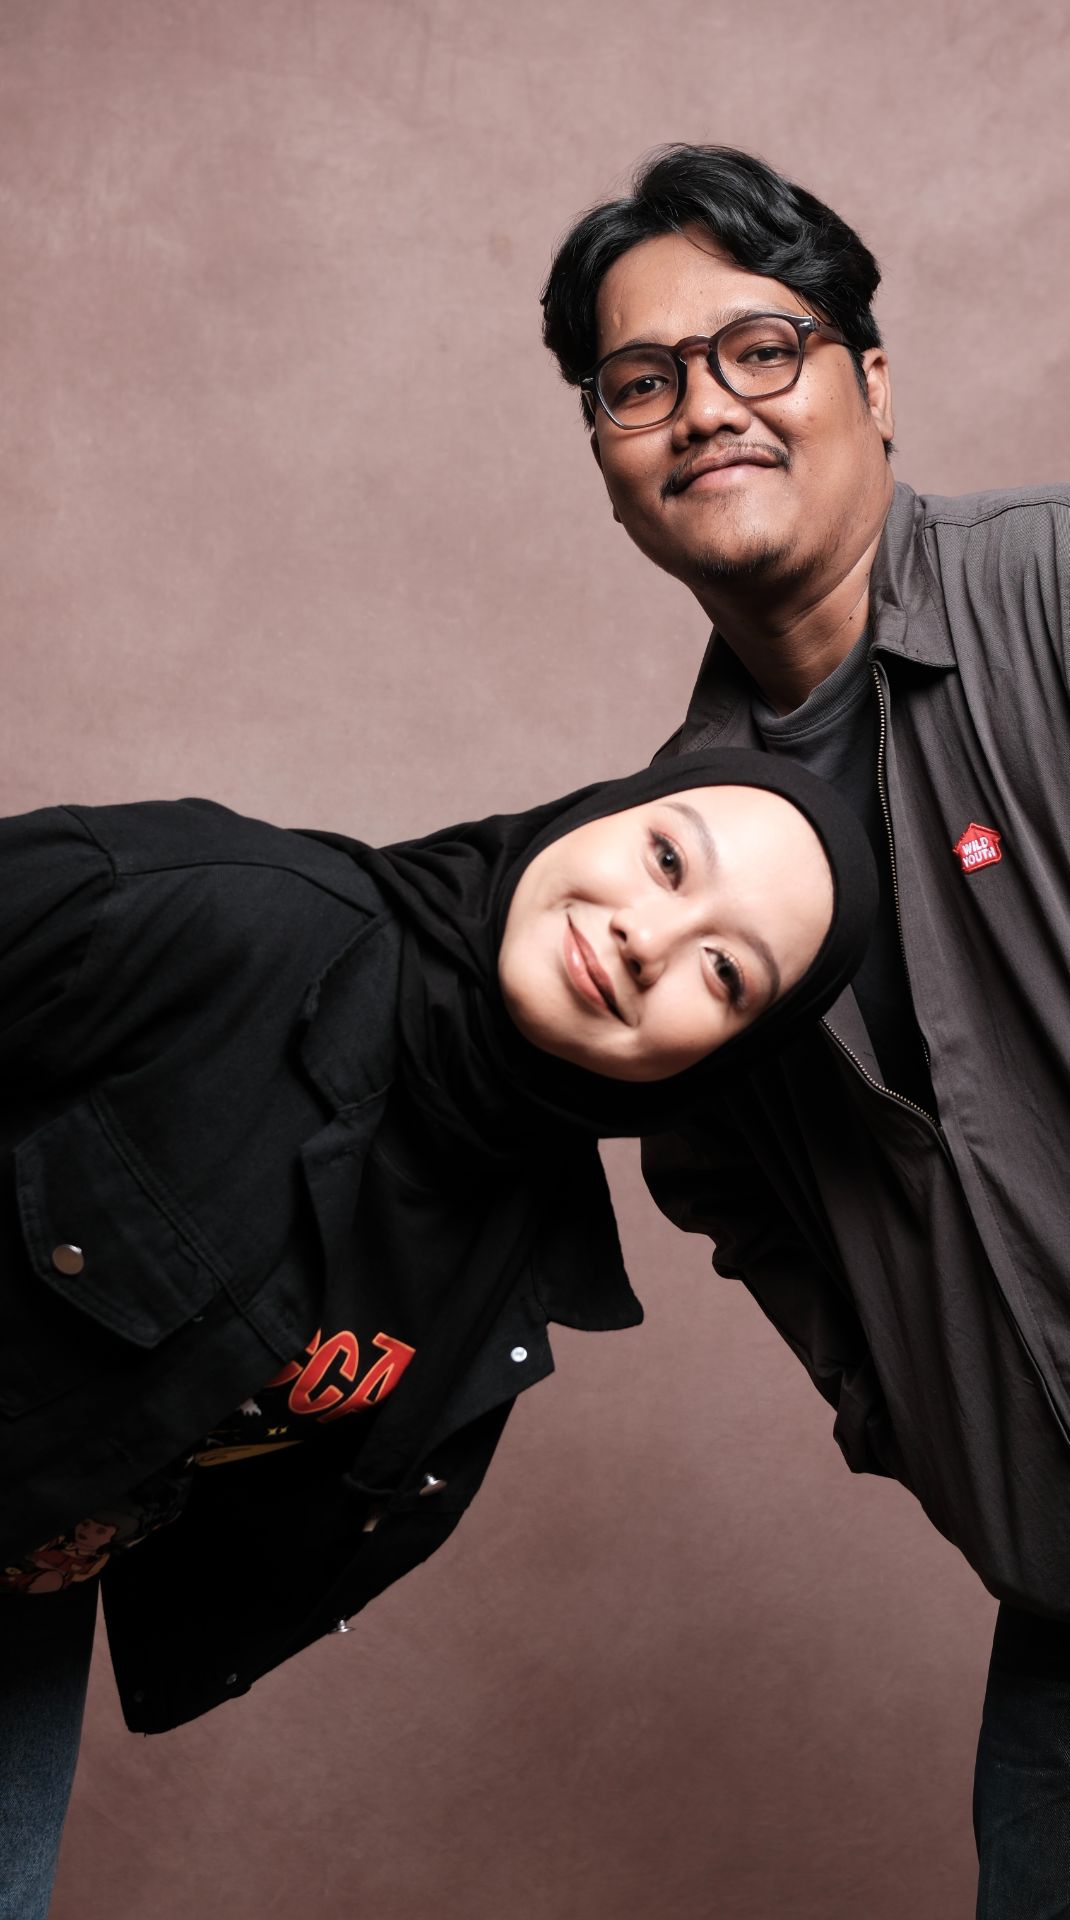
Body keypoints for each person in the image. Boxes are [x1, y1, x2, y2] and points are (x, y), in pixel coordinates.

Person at [541, 143, 1070, 1915]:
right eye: (641, 383)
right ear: (610, 462)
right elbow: (737, 1199)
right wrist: (936, 1436)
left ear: (870, 380)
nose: (704, 409)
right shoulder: (669, 862)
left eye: (759, 349)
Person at [0, 750, 876, 1919]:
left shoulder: (514, 1257)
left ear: (722, 1056)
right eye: (666, 858)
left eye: (724, 972)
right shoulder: (209, 910)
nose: (646, 939)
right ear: (593, 818)